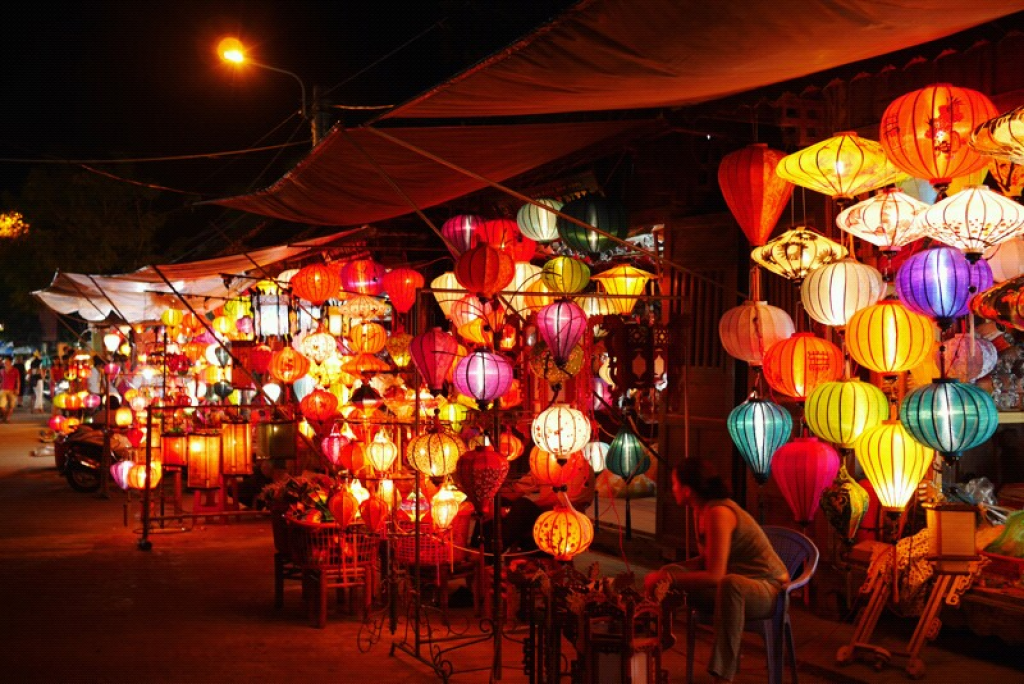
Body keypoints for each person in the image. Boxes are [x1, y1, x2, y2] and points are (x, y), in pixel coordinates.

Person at [644, 458, 789, 683]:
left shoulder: (719, 512)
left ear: (688, 489)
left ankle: (723, 675)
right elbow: (706, 560)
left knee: (730, 584)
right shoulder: (700, 510)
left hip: (768, 590)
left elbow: (715, 575)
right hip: (731, 586)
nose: (672, 489)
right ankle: (657, 640)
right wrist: (666, 574)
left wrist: (670, 579)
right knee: (668, 572)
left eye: (675, 484)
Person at [0, 357, 21, 422]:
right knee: (1, 406)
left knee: (11, 406)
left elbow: (18, 380)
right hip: (3, 390)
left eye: (6, 361)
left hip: (12, 390)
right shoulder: (1, 370)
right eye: (4, 362)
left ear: (10, 362)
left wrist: (18, 389)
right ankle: (5, 416)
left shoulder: (15, 370)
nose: (5, 363)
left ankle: (7, 418)